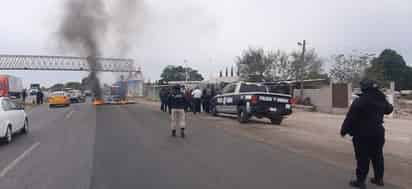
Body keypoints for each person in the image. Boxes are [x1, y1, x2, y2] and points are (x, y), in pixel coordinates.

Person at [340, 79, 393, 189]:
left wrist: (344, 130)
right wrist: (383, 101)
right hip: (378, 132)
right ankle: (379, 179)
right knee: (377, 156)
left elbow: (350, 118)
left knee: (362, 157)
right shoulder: (381, 99)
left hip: (362, 133)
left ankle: (360, 181)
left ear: (364, 87)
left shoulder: (361, 100)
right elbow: (389, 110)